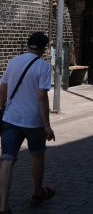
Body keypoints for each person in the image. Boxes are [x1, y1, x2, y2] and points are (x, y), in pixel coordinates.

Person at [0, 32, 55, 213]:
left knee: (7, 159)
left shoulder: (13, 61)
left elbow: (2, 87)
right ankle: (37, 193)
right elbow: (42, 96)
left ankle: (3, 206)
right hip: (33, 121)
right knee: (37, 155)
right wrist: (47, 125)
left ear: (28, 45)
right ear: (44, 48)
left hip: (10, 118)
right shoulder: (43, 66)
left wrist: (1, 110)